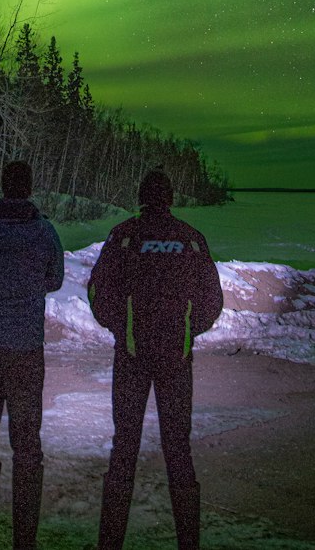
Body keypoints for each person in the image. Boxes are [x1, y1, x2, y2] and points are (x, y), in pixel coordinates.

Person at [87, 168, 224, 550]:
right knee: (178, 446)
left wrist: (123, 327)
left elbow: (99, 290)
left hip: (132, 356)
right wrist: (184, 330)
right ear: (170, 198)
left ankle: (110, 543)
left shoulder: (124, 236)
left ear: (142, 196)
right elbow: (212, 299)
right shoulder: (190, 238)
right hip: (175, 359)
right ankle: (187, 543)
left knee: (124, 445)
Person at [0, 159, 64, 550]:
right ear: (30, 187)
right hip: (25, 351)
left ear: (3, 187)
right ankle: (25, 540)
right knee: (27, 446)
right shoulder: (43, 232)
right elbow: (54, 279)